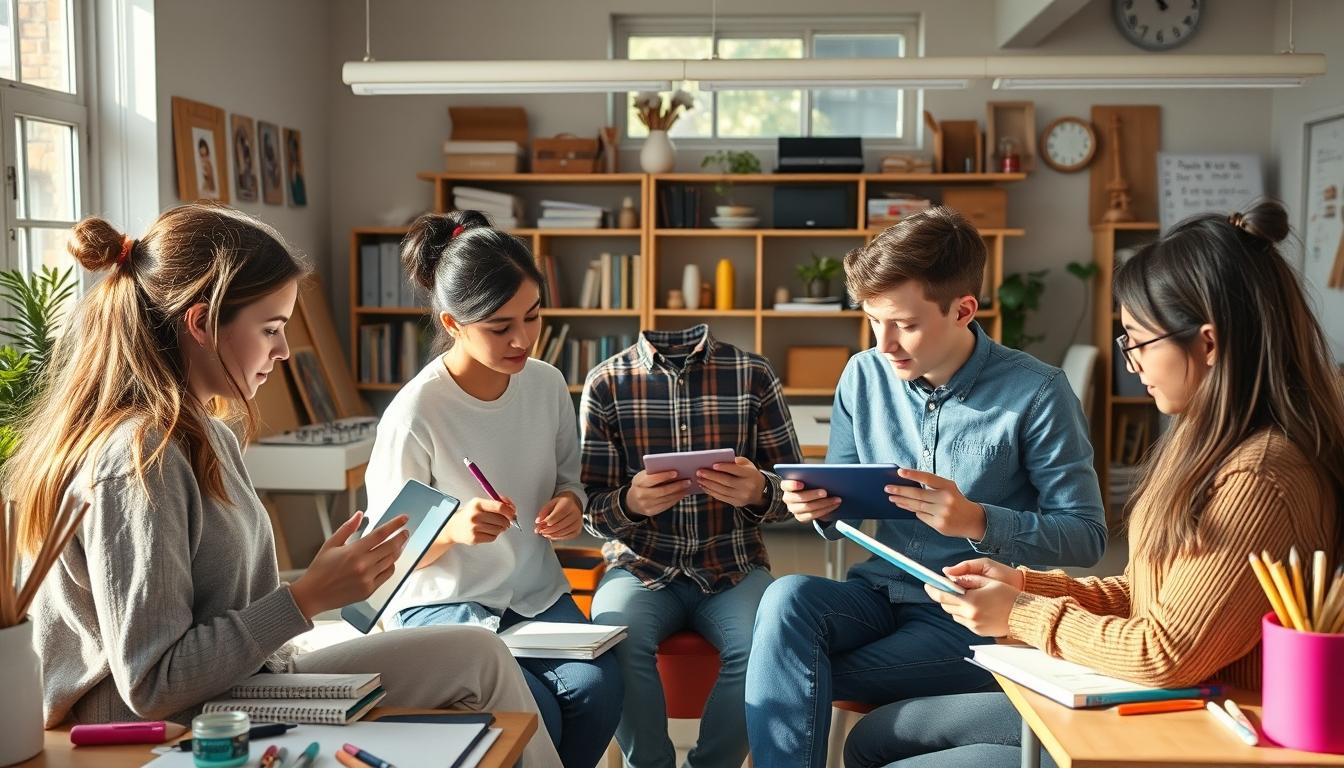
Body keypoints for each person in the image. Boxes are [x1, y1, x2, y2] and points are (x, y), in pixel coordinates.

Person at [14, 204, 562, 767]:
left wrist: (319, 588)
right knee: (475, 664)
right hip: (161, 720)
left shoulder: (205, 434)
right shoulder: (138, 461)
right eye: (271, 329)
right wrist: (306, 597)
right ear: (201, 324)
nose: (282, 351)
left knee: (479, 654)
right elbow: (154, 683)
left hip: (240, 680)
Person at [843, 200, 1344, 768]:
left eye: (1137, 340)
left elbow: (1164, 652)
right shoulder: (1202, 441)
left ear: (1207, 344)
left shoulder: (1257, 476)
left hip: (1197, 723)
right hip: (1159, 694)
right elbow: (1144, 598)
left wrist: (1022, 613)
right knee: (874, 737)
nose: (1130, 363)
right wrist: (1025, 584)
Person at [745, 207, 1107, 768]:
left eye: (904, 324)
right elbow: (836, 514)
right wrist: (814, 506)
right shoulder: (862, 376)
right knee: (787, 598)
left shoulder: (1037, 393)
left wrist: (979, 522)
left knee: (788, 672)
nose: (883, 343)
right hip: (876, 592)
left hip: (967, 613)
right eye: (872, 320)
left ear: (964, 310)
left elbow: (1086, 537)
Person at [364, 210, 622, 768]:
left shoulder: (548, 384)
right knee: (534, 715)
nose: (523, 338)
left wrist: (569, 506)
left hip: (535, 593)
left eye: (532, 317)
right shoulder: (416, 413)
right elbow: (381, 556)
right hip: (443, 604)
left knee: (600, 689)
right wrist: (451, 529)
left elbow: (568, 482)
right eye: (500, 327)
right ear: (453, 323)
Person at [581, 322, 802, 768]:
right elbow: (590, 512)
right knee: (613, 637)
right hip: (640, 568)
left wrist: (760, 491)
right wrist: (630, 502)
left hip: (734, 566)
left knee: (766, 645)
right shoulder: (606, 381)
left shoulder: (753, 374)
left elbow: (798, 495)